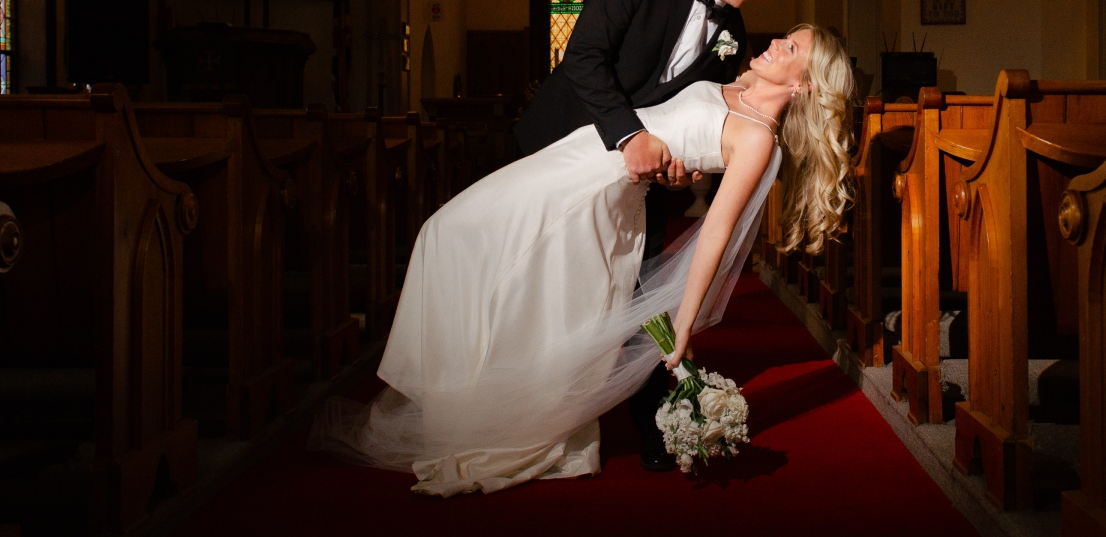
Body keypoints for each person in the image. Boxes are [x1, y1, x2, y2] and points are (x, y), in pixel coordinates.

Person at [309, 25, 854, 496]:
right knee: (473, 252)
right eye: (784, 38)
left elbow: (715, 229)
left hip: (598, 192)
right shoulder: (736, 86)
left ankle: (491, 422)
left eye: (791, 49)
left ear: (804, 85)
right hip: (586, 152)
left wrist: (683, 324)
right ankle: (460, 399)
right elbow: (677, 132)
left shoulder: (758, 139)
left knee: (460, 241)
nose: (776, 44)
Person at [514, 0, 802, 470]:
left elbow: (703, 119)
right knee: (544, 284)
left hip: (638, 184)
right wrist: (629, 138)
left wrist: (685, 169)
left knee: (641, 289)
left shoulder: (734, 34)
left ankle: (653, 424)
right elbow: (584, 58)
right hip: (564, 148)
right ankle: (525, 402)